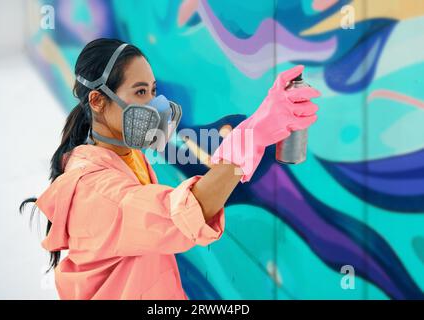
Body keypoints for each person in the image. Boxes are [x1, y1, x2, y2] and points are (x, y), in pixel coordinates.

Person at [19, 38, 320, 300]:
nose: (154, 104)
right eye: (139, 93)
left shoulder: (124, 154)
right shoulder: (97, 191)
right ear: (97, 101)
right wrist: (251, 136)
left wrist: (252, 130)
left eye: (153, 90)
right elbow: (186, 215)